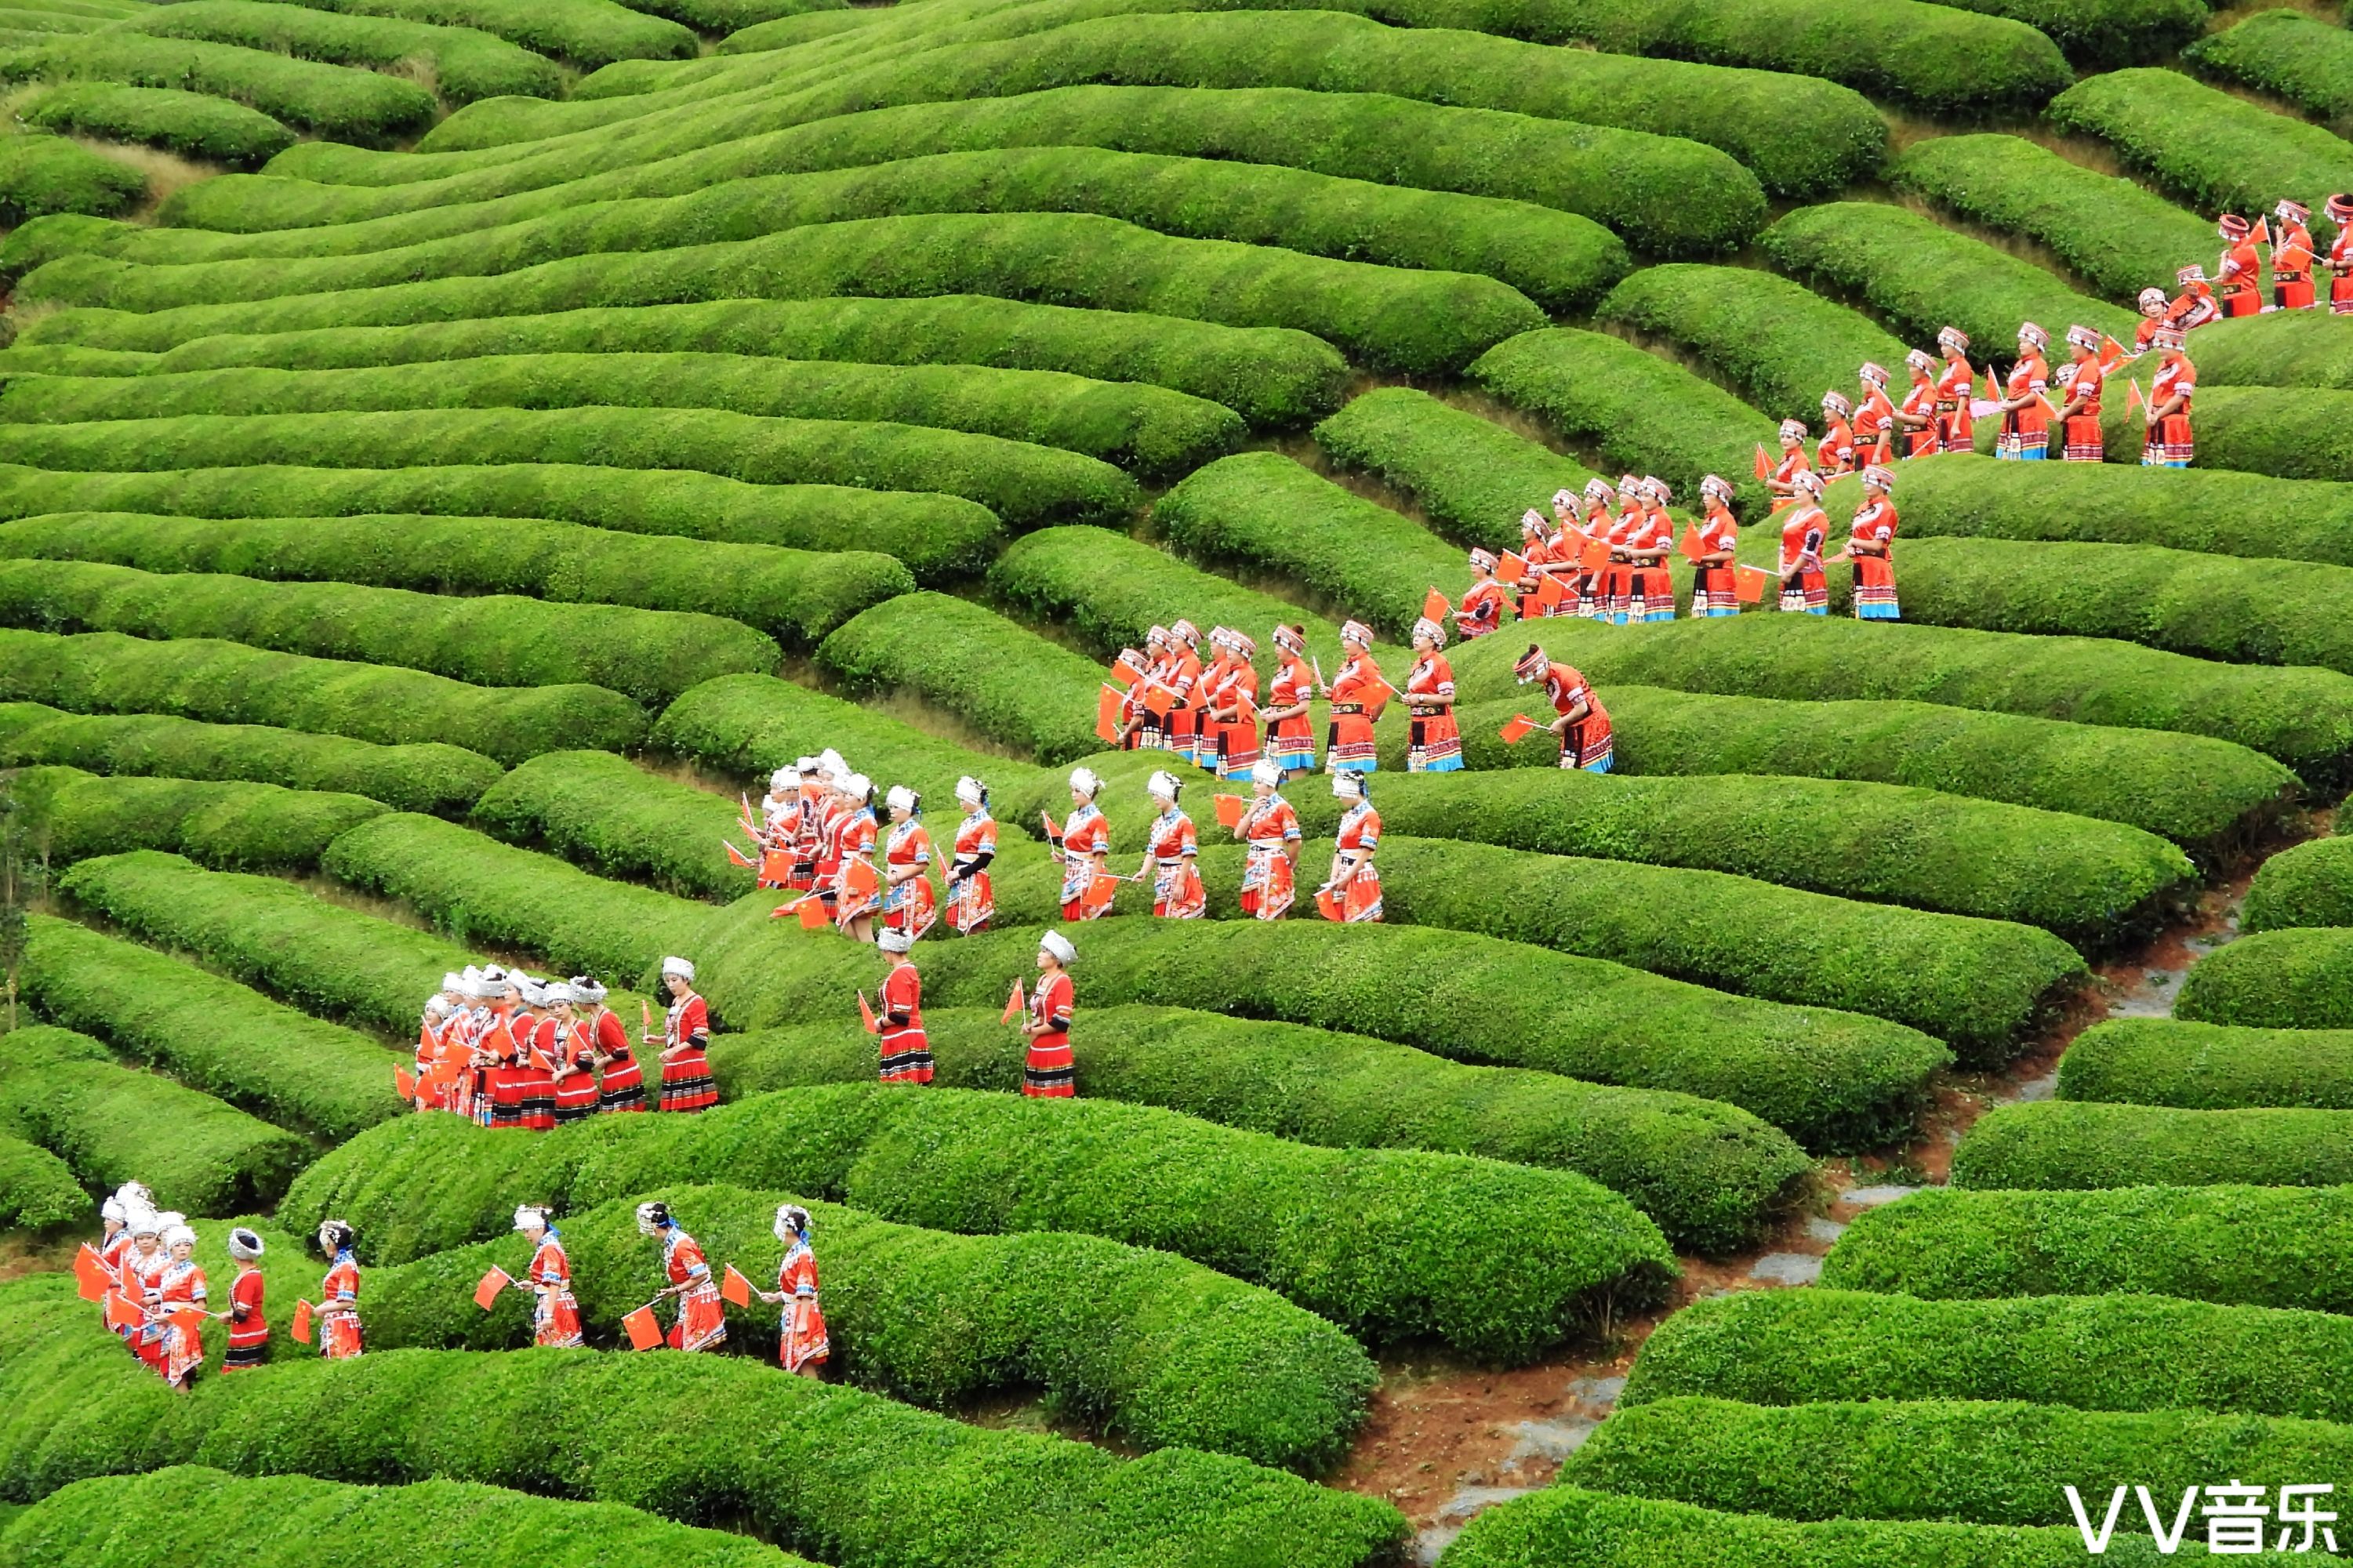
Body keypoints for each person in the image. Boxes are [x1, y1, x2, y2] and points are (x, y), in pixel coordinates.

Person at [637, 1202, 725, 1352]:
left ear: (656, 1229)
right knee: (685, 1343)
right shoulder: (673, 1241)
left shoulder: (681, 1245)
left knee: (695, 1348)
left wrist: (676, 1290)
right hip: (691, 1296)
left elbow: (700, 1274)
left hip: (699, 1298)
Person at [1515, 645, 1614, 773]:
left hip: (1590, 722)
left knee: (1588, 770)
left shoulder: (1566, 677)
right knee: (1568, 769)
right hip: (1572, 724)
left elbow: (1582, 707)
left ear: (1539, 668)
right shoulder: (1548, 678)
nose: (1533, 681)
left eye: (1533, 677)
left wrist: (1560, 723)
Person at [759, 1204, 828, 1377]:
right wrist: (777, 1296)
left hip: (802, 1312)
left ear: (789, 1229)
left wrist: (803, 1321)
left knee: (804, 1360)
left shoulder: (804, 1255)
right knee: (797, 1360)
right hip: (793, 1311)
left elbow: (806, 1291)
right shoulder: (793, 1253)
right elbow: (793, 1286)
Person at [1234, 757, 1302, 920]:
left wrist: (1289, 864)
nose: (1254, 787)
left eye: (1258, 783)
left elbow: (1295, 841)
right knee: (1261, 910)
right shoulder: (1257, 806)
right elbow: (1238, 834)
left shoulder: (1282, 807)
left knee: (1276, 909)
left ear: (1269, 784)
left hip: (1273, 861)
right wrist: (1251, 811)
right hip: (1255, 861)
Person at [1834, 464, 1901, 621]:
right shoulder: (1862, 507)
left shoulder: (1887, 509)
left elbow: (1878, 544)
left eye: (1870, 482)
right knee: (1861, 612)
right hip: (1860, 563)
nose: (1866, 486)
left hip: (1875, 565)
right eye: (1865, 482)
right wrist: (1852, 548)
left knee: (1877, 614)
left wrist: (1854, 541)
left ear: (1882, 485)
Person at [651, 956, 717, 1113]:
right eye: (667, 981)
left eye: (674, 980)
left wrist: (674, 1050)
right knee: (678, 1113)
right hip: (676, 1064)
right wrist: (660, 1040)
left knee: (691, 1111)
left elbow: (700, 1036)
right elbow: (679, 1032)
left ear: (686, 980)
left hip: (689, 1064)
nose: (671, 985)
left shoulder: (696, 1002)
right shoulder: (676, 1001)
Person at [1138, 769, 1205, 919]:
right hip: (1163, 876)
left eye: (1157, 794)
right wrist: (1144, 872)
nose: (1154, 799)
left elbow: (1188, 855)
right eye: (1153, 795)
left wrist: (1181, 883)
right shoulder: (1158, 824)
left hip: (1180, 875)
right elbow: (1152, 852)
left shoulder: (1183, 822)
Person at [515, 1206, 583, 1349]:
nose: (526, 1236)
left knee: (559, 1349)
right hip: (555, 1302)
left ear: (539, 1228)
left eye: (527, 1231)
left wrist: (548, 1315)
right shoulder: (549, 1247)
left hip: (555, 1305)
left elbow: (554, 1283)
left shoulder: (549, 1249)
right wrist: (535, 1285)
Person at [1321, 621, 1384, 774]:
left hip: (1355, 722)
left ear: (1361, 642)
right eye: (1344, 639)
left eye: (1349, 639)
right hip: (1337, 720)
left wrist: (1372, 716)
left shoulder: (1367, 665)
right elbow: (1346, 694)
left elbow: (1380, 695)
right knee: (1333, 772)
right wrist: (1332, 695)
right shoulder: (1345, 665)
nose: (1345, 643)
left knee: (1353, 772)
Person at [1021, 931, 1077, 1098]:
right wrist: (1030, 1025)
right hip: (1038, 1047)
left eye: (1045, 952)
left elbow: (1062, 1021)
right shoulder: (1042, 980)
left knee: (1053, 1100)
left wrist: (1035, 1031)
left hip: (1054, 1049)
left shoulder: (1063, 982)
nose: (1039, 955)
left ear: (1056, 959)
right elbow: (1039, 1013)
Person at [1403, 617, 1462, 774]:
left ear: (1432, 642)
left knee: (1434, 768)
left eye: (1421, 637)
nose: (1416, 640)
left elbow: (1449, 697)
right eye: (1415, 636)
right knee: (1418, 769)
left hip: (1435, 723)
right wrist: (1409, 698)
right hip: (1417, 721)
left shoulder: (1440, 663)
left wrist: (1420, 698)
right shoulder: (1417, 664)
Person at [1052, 765, 1112, 920]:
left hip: (1092, 873)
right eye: (1072, 790)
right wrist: (1064, 859)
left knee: (1093, 923)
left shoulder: (1098, 819)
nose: (1073, 795)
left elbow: (1099, 855)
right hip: (1073, 874)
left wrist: (1093, 882)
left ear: (1088, 792)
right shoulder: (1073, 817)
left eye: (1077, 791)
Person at [1322, 771, 1382, 923]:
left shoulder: (1370, 816)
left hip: (1359, 872)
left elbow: (1365, 852)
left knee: (1361, 921)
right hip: (1344, 871)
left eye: (1343, 793)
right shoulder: (1348, 816)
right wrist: (1334, 876)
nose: (1340, 798)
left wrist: (1347, 877)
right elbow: (1338, 849)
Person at [873, 927, 932, 1083]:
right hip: (908, 1035)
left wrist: (879, 1023)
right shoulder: (909, 970)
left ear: (890, 952)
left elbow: (901, 1014)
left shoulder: (900, 974)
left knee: (901, 1087)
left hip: (903, 1038)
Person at [879, 786, 937, 942]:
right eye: (890, 807)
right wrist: (892, 877)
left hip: (913, 886)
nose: (892, 811)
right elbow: (891, 860)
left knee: (909, 933)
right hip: (896, 886)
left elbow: (923, 863)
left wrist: (899, 877)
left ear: (907, 808)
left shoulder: (917, 832)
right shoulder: (893, 832)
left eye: (896, 807)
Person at [578, 978, 644, 1113]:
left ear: (585, 1002)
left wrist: (603, 1061)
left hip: (623, 1073)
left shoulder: (606, 1020)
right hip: (613, 1072)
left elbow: (622, 1050)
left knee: (621, 1114)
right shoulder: (594, 1018)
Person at [154, 1222, 208, 1390]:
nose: (183, 1249)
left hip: (184, 1324)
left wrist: (172, 1317)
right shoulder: (167, 1272)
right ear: (170, 1249)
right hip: (167, 1323)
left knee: (179, 1369)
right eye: (178, 1245)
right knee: (170, 1365)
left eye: (187, 1245)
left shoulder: (194, 1272)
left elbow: (200, 1305)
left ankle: (184, 1403)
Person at [1205, 627, 1262, 781]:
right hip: (1225, 727)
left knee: (1239, 774)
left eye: (1232, 649)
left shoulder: (1247, 674)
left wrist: (1220, 713)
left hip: (1240, 728)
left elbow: (1245, 704)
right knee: (1225, 773)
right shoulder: (1232, 672)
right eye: (1228, 648)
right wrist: (1204, 701)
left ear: (1242, 653)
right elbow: (1220, 695)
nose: (1228, 652)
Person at [1263, 626, 1318, 779]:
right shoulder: (1282, 669)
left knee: (1292, 776)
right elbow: (1281, 698)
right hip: (1278, 726)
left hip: (1292, 727)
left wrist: (1275, 716)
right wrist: (1270, 710)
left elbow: (1304, 705)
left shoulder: (1300, 670)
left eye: (1280, 645)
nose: (1276, 649)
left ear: (1291, 647)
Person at [833, 774, 881, 942]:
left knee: (861, 922)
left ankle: (870, 958)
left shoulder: (867, 821)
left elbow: (865, 855)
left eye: (850, 795)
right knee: (846, 922)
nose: (846, 798)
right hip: (847, 870)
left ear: (861, 799)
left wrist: (855, 882)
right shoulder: (857, 819)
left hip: (857, 873)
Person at [119, 1208, 169, 1370]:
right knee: (141, 1341)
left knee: (159, 1345)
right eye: (141, 1238)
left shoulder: (165, 1259)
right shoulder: (134, 1259)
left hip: (158, 1306)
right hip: (137, 1306)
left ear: (157, 1240)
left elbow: (172, 1286)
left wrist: (155, 1298)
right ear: (135, 1241)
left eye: (149, 1238)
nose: (145, 1242)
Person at [1777, 469, 1832, 615]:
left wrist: (1791, 571)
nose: (1796, 493)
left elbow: (1809, 550)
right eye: (1795, 490)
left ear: (1812, 493)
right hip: (1788, 571)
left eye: (1801, 490)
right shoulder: (1791, 516)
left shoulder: (1818, 517)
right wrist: (1782, 569)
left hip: (1808, 575)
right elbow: (1783, 545)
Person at [946, 776, 997, 935]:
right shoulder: (966, 823)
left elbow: (985, 858)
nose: (961, 804)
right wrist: (951, 872)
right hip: (961, 875)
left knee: (975, 925)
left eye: (963, 800)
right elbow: (959, 851)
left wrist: (960, 873)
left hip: (974, 876)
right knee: (963, 926)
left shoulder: (987, 823)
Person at [1994, 322, 2051, 460]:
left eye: (2025, 342)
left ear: (2036, 345)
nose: (2021, 345)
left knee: (2025, 457)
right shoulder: (2020, 364)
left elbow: (2036, 394)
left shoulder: (2039, 364)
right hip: (2013, 414)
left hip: (2029, 416)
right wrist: (2008, 402)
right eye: (2021, 342)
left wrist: (2014, 405)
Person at [545, 984, 600, 1125]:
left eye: (560, 1005)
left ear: (570, 1004)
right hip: (562, 1084)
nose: (557, 1011)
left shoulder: (580, 1027)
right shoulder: (556, 1027)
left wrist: (564, 1072)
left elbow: (586, 1061)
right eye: (552, 1008)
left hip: (579, 1085)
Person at [1690, 474, 1742, 618]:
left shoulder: (1726, 520)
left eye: (1708, 494)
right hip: (1704, 573)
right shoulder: (1708, 520)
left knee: (1718, 616)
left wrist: (1701, 558)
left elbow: (1727, 554)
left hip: (1719, 576)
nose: (1704, 498)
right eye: (1704, 495)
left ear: (1720, 497)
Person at [2143, 325, 2195, 467]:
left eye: (2164, 346)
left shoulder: (2185, 367)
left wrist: (2158, 414)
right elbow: (2154, 390)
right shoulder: (2162, 365)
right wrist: (2149, 412)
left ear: (2176, 346)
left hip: (2173, 420)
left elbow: (2180, 397)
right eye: (2158, 346)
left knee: (2170, 465)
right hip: (2157, 417)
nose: (2160, 350)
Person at [1625, 477, 1676, 624]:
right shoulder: (1646, 520)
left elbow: (1664, 549)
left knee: (1651, 618)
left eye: (1647, 496)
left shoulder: (1662, 519)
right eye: (1641, 495)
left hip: (1654, 572)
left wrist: (1638, 553)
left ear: (1658, 498)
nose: (1642, 499)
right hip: (1639, 571)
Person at [2057, 325, 2107, 463]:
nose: (2070, 348)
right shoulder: (2083, 366)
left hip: (2084, 423)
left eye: (2074, 344)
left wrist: (2064, 414)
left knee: (2081, 465)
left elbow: (2082, 400)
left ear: (2085, 347)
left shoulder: (2090, 366)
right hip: (2076, 422)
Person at [513, 978, 557, 1134]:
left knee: (542, 1124)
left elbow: (548, 1056)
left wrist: (527, 1061)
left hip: (543, 1081)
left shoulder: (549, 1024)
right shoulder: (537, 1023)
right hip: (533, 1079)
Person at [222, 1227, 267, 1376]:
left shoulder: (250, 1277)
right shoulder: (250, 1274)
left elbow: (242, 1313)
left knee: (240, 1374)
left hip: (248, 1332)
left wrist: (228, 1316)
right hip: (246, 1331)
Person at [316, 1219, 362, 1359]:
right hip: (335, 1322)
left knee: (343, 1361)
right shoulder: (341, 1265)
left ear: (331, 1245)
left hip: (343, 1325)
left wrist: (322, 1309)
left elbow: (348, 1302)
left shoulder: (346, 1266)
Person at [1163, 619, 1206, 768]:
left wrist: (1158, 691)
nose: (1172, 641)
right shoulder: (1179, 661)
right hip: (1174, 715)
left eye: (1176, 638)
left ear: (1187, 642)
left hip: (1184, 716)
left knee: (1181, 759)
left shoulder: (1191, 661)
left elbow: (1181, 691)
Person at [1119, 626, 1170, 751]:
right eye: (1149, 643)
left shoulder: (1140, 685)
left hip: (1145, 727)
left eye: (1154, 642)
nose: (1150, 646)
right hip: (1142, 725)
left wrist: (1126, 734)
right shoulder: (1136, 684)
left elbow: (1138, 715)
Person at [1933, 326, 1974, 453]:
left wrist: (1956, 425)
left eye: (1946, 345)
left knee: (1958, 453)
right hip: (1947, 417)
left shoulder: (1962, 367)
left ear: (1955, 347)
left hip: (1957, 416)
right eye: (1942, 345)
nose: (1942, 349)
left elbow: (1963, 397)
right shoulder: (1950, 367)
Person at [2271, 199, 2317, 311]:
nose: (2281, 219)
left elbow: (2286, 261)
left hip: (2298, 287)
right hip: (2287, 287)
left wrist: (2279, 242)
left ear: (2293, 218)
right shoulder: (2292, 236)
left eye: (2283, 216)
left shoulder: (2300, 237)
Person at [1894, 349, 1938, 458]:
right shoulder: (1916, 390)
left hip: (1921, 439)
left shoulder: (1928, 390)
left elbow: (1922, 419)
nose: (1910, 370)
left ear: (1924, 370)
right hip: (1910, 437)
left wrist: (1901, 416)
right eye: (1910, 366)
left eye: (1914, 367)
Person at [2217, 213, 2263, 318]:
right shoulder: (2243, 247)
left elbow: (2224, 275)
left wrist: (2223, 259)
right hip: (2237, 295)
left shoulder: (2243, 249)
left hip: (2243, 298)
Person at [1456, 549, 1508, 640]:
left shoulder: (1492, 587)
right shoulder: (1478, 586)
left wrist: (1465, 615)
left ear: (1485, 567)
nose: (1472, 567)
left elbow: (1484, 610)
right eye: (1471, 564)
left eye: (1476, 564)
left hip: (1480, 633)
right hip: (1468, 629)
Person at [1852, 362, 1895, 466]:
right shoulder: (1867, 402)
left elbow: (1886, 429)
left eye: (1866, 380)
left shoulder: (1879, 401)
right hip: (1862, 451)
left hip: (1872, 449)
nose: (1862, 383)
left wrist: (1877, 454)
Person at [1766, 419, 1812, 512]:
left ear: (1799, 440)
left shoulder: (1800, 459)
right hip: (1781, 503)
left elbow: (1798, 487)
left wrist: (1777, 484)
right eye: (1782, 437)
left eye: (1789, 437)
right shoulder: (1787, 457)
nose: (1784, 440)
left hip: (1791, 504)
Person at [2169, 265, 2220, 332]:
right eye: (2192, 285)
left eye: (2199, 283)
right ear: (2184, 286)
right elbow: (2169, 330)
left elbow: (2218, 323)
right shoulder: (2175, 306)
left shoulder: (2210, 300)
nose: (2196, 287)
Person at [1816, 393, 1857, 477]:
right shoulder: (1833, 430)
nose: (1825, 413)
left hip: (1839, 476)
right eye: (1825, 409)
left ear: (1839, 412)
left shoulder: (1843, 431)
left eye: (1829, 409)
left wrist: (1835, 478)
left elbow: (1846, 460)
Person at [2328, 194, 2353, 316]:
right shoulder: (2346, 230)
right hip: (2342, 282)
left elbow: (2352, 260)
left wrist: (2334, 264)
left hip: (2349, 284)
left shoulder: (2351, 231)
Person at [2132, 286, 2170, 354]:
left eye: (2156, 304)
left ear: (2163, 305)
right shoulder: (2143, 328)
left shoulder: (2174, 319)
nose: (2153, 308)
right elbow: (2140, 353)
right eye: (2148, 305)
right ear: (2144, 310)